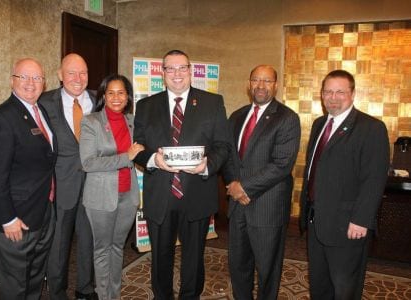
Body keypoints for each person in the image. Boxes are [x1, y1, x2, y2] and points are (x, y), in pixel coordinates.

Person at [133, 49, 230, 299]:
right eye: (170, 68)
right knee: (160, 260)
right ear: (162, 73)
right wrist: (154, 159)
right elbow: (138, 147)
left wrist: (207, 164)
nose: (177, 74)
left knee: (194, 259)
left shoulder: (212, 102)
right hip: (160, 197)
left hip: (197, 194)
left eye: (182, 68)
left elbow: (223, 145)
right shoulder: (145, 106)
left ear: (190, 70)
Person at [299, 70, 390, 299]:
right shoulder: (320, 124)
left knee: (344, 289)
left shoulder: (371, 128)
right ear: (321, 94)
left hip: (348, 227)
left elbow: (374, 179)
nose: (333, 97)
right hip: (317, 221)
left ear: (352, 94)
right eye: (328, 91)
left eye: (340, 92)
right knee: (319, 286)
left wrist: (361, 219)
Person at [0, 58, 56, 299]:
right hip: (15, 220)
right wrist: (8, 218)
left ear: (44, 83)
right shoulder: (0, 119)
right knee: (14, 287)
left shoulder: (39, 110)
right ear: (12, 80)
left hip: (42, 212)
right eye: (24, 77)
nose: (31, 83)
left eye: (37, 78)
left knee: (33, 279)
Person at [222, 65, 301, 299]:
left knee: (267, 269)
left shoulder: (287, 118)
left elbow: (281, 164)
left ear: (275, 85)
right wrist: (233, 185)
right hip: (238, 207)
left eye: (267, 81)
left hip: (268, 207)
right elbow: (227, 155)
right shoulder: (237, 116)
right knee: (238, 265)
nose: (260, 85)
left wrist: (243, 187)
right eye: (256, 80)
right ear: (249, 84)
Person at [79, 74, 144, 300]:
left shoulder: (133, 122)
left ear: (128, 97)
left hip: (128, 195)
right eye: (111, 93)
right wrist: (125, 157)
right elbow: (88, 163)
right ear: (103, 96)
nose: (116, 97)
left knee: (117, 248)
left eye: (121, 93)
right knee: (102, 249)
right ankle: (103, 295)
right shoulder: (91, 122)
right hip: (100, 198)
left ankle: (113, 295)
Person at [39, 53, 97, 300]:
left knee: (90, 239)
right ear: (60, 75)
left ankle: (85, 288)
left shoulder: (100, 100)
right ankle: (58, 292)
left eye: (83, 72)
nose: (78, 78)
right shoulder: (43, 102)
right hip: (61, 184)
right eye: (71, 72)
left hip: (95, 184)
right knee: (58, 244)